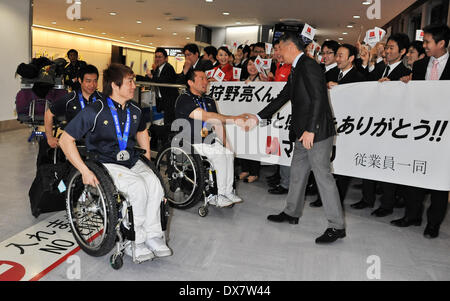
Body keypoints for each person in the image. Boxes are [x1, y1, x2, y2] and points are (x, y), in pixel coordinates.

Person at [58, 63, 172, 261]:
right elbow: (65, 140)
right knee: (137, 188)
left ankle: (153, 235)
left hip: (131, 160)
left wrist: (147, 162)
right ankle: (133, 240)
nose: (134, 85)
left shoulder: (135, 109)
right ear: (115, 85)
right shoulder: (95, 110)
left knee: (154, 185)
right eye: (130, 81)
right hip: (105, 163)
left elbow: (142, 132)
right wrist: (84, 170)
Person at [243, 32, 346, 244]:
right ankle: (291, 212)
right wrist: (258, 116)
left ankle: (336, 226)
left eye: (279, 48)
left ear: (290, 47)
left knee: (323, 176)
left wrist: (312, 129)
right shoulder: (297, 68)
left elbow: (319, 99)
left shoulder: (309, 65)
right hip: (302, 132)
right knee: (297, 173)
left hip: (315, 133)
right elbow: (284, 95)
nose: (277, 53)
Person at [394, 24, 450, 239]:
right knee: (415, 172)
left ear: (441, 43)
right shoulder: (419, 66)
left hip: (444, 134)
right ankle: (412, 215)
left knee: (439, 179)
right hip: (420, 131)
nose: (423, 46)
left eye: (427, 42)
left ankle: (433, 223)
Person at [353, 33, 412, 217]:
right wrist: (365, 63)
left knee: (387, 166)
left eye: (391, 48)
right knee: (369, 161)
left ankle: (387, 204)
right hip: (373, 124)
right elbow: (363, 84)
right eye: (387, 47)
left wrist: (393, 86)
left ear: (402, 52)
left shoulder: (405, 74)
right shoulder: (379, 67)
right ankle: (367, 198)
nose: (387, 51)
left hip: (392, 127)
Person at [174, 69, 245, 207]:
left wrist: (227, 145)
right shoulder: (184, 99)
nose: (206, 81)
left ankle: (227, 192)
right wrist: (234, 119)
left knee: (227, 154)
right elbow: (206, 116)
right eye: (201, 78)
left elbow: (217, 123)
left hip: (207, 140)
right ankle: (215, 195)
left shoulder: (208, 99)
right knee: (218, 156)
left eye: (206, 78)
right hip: (190, 141)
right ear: (190, 82)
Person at [45, 64, 101, 148]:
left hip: (98, 142)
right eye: (88, 81)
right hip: (74, 142)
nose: (92, 85)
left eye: (95, 81)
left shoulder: (103, 99)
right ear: (80, 80)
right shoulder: (70, 98)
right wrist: (50, 138)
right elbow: (48, 114)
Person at [238, 57, 267, 183]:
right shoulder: (243, 81)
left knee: (254, 145)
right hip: (245, 116)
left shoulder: (264, 80)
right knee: (243, 143)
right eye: (250, 64)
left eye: (255, 64)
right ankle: (245, 169)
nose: (252, 67)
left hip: (257, 117)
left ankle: (254, 172)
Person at [144, 47, 179, 126]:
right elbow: (149, 79)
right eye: (156, 57)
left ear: (166, 58)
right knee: (165, 122)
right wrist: (135, 76)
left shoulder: (168, 68)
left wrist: (152, 77)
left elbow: (163, 81)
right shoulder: (158, 69)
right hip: (162, 100)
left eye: (160, 57)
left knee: (169, 123)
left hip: (170, 101)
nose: (157, 59)